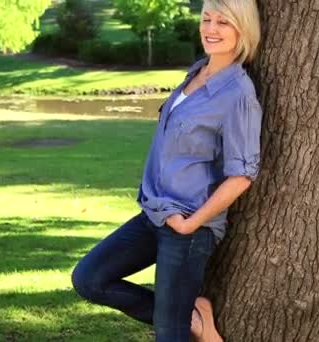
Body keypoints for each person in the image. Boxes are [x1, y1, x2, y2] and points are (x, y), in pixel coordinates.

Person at [71, 0, 263, 341]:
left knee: (169, 335)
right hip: (155, 213)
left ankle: (181, 321)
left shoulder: (238, 94)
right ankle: (191, 317)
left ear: (242, 30)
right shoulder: (197, 71)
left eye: (223, 22)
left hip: (190, 226)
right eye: (207, 19)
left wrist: (192, 223)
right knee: (89, 278)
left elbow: (242, 174)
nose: (211, 29)